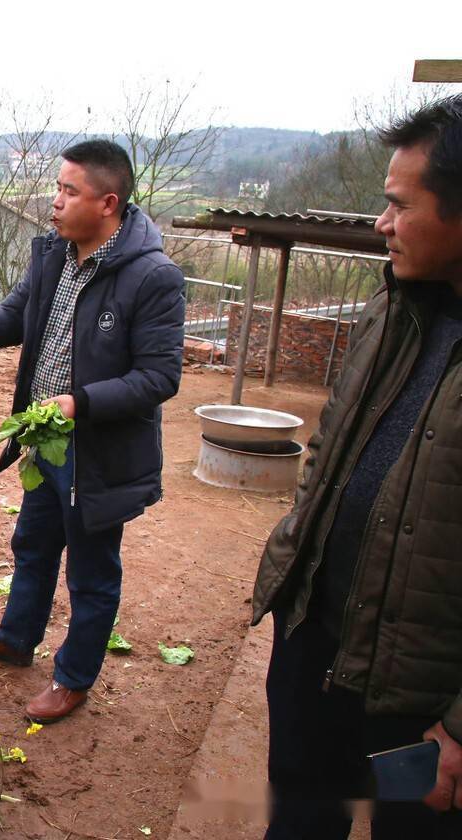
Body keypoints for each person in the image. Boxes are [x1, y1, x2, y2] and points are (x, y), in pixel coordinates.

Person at [252, 94, 462, 838]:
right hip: (316, 648)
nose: (381, 223)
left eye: (399, 205)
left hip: (416, 701)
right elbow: (328, 453)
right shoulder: (392, 311)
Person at [0, 139, 185, 723]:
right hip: (43, 438)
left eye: (69, 191)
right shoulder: (53, 254)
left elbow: (158, 377)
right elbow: (16, 317)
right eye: (57, 187)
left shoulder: (153, 277)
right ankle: (16, 640)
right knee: (33, 543)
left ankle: (73, 678)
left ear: (107, 203)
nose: (54, 201)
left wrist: (81, 404)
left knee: (92, 570)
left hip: (98, 450)